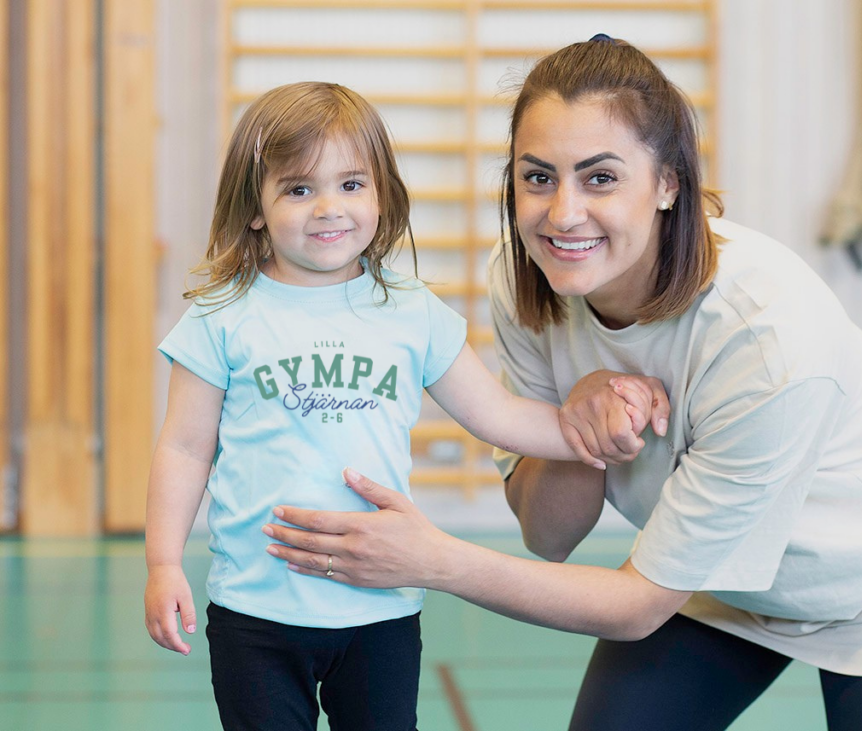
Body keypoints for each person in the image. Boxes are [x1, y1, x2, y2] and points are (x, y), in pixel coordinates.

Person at [263, 38, 862, 731]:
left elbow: (639, 605)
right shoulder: (527, 279)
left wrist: (434, 559)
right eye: (537, 177)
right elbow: (550, 533)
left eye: (601, 177)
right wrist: (581, 420)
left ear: (668, 183)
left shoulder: (765, 336)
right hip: (712, 579)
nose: (563, 213)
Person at [143, 80, 626, 731]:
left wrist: (594, 430)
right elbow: (183, 447)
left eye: (350, 184)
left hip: (381, 609)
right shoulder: (223, 316)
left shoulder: (411, 310)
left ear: (381, 195)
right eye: (298, 189)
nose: (328, 208)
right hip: (256, 614)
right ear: (255, 206)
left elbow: (501, 416)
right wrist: (164, 561)